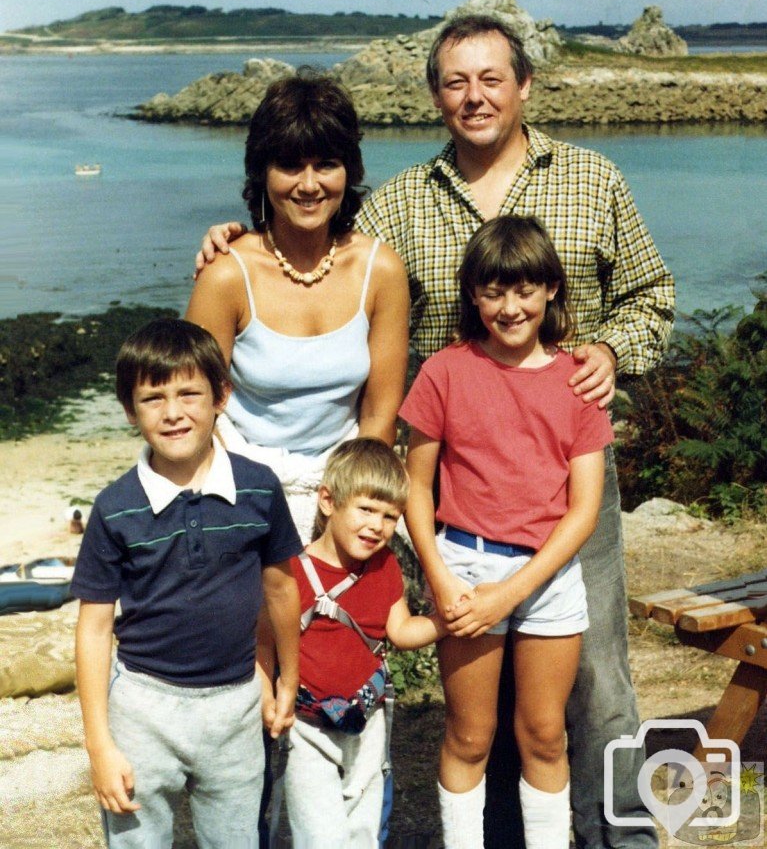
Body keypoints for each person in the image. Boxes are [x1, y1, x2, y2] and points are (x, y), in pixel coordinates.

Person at [195, 14, 675, 848]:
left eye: (492, 78)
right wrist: (236, 235)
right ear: (434, 97)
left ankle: (620, 839)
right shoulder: (403, 204)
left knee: (595, 684)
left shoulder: (593, 179)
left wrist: (607, 348)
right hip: (451, 496)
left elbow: (652, 295)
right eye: (455, 82)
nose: (475, 96)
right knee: (475, 696)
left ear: (525, 85)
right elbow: (322, 242)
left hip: (568, 484)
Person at [400, 215, 614, 848]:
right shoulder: (444, 370)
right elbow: (416, 487)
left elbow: (582, 513)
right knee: (469, 736)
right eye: (493, 291)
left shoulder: (579, 384)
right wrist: (440, 578)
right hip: (464, 569)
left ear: (551, 289)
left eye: (524, 290)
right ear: (473, 295)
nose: (510, 307)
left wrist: (511, 591)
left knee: (544, 734)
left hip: (546, 579)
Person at [72, 318, 303, 849]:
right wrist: (99, 745)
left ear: (221, 395)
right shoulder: (114, 508)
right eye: (153, 398)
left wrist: (285, 675)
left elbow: (281, 590)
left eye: (189, 393)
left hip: (236, 704)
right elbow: (93, 630)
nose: (173, 412)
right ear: (131, 411)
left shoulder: (259, 488)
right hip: (142, 710)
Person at [187, 71, 409, 546]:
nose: (309, 185)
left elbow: (378, 416)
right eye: (290, 166)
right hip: (235, 482)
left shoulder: (381, 270)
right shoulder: (227, 273)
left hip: (345, 487)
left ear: (348, 170)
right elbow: (193, 404)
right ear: (262, 172)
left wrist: (344, 513)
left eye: (325, 164)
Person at [265, 437, 445, 848]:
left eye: (389, 516)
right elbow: (266, 643)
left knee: (363, 827)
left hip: (367, 718)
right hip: (307, 722)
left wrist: (445, 622)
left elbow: (400, 632)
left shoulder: (385, 567)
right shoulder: (292, 571)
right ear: (328, 501)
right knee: (321, 834)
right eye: (366, 509)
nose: (376, 526)